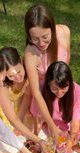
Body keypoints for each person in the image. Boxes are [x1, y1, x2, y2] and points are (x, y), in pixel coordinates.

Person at [24, 4, 70, 137]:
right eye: (35, 38)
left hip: (61, 86)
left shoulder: (64, 32)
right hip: (44, 94)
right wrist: (51, 125)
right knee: (45, 134)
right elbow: (36, 93)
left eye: (45, 37)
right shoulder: (30, 54)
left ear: (52, 30)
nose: (41, 43)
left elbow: (67, 61)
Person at [42, 61, 80, 144]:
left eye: (63, 88)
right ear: (48, 85)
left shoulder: (77, 91)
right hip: (56, 124)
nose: (59, 93)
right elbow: (37, 116)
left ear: (69, 83)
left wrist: (70, 141)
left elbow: (75, 122)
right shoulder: (43, 90)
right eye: (54, 89)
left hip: (76, 122)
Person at [0, 47, 41, 145]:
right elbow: (11, 118)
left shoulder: (30, 76)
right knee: (8, 135)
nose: (17, 77)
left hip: (22, 109)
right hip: (7, 111)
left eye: (18, 71)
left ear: (21, 60)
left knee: (31, 127)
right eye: (11, 76)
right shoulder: (2, 84)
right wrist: (16, 124)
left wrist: (20, 120)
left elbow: (27, 97)